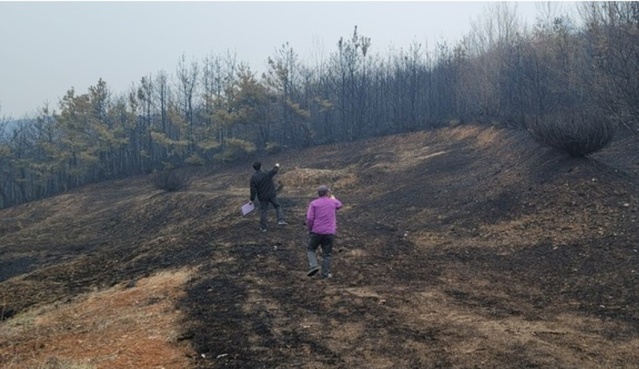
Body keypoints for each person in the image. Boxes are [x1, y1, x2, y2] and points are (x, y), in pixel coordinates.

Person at [306, 185, 342, 279]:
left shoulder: (314, 203)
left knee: (311, 249)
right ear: (327, 193)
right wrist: (333, 198)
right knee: (327, 254)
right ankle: (325, 275)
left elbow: (310, 218)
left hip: (316, 231)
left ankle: (313, 266)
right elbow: (339, 205)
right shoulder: (332, 202)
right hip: (329, 232)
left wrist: (310, 229)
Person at [249, 161, 287, 231]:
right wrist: (277, 165)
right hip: (271, 194)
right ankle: (280, 220)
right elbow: (274, 171)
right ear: (261, 166)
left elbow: (253, 190)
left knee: (263, 211)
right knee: (278, 206)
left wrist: (251, 199)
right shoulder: (266, 173)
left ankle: (263, 227)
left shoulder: (253, 178)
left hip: (262, 197)